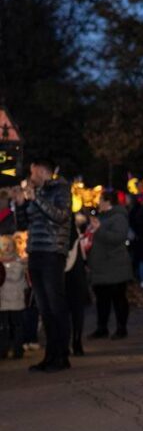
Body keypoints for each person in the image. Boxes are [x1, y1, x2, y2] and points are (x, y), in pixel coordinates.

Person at [13, 158, 72, 372]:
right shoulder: (35, 193)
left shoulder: (61, 189)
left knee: (56, 306)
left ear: (42, 171)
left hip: (52, 253)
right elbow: (24, 224)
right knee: (44, 308)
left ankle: (62, 355)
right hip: (36, 252)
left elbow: (60, 216)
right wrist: (20, 204)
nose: (30, 176)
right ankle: (50, 355)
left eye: (33, 172)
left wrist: (35, 197)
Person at [87, 191, 134, 340]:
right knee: (102, 300)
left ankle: (121, 328)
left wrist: (99, 229)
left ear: (108, 202)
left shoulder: (118, 217)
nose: (98, 203)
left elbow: (118, 238)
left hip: (115, 266)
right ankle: (102, 327)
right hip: (101, 267)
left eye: (100, 200)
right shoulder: (102, 217)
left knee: (118, 298)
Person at [65, 212, 90, 355]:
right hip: (77, 274)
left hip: (69, 275)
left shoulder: (69, 233)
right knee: (76, 312)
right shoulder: (77, 233)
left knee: (68, 311)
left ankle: (70, 342)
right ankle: (76, 342)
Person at [0, 234, 26, 359]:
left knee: (17, 325)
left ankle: (18, 349)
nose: (7, 248)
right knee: (3, 327)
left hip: (16, 298)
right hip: (3, 300)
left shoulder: (18, 261)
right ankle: (3, 349)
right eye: (4, 245)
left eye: (9, 245)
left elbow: (14, 277)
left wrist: (5, 271)